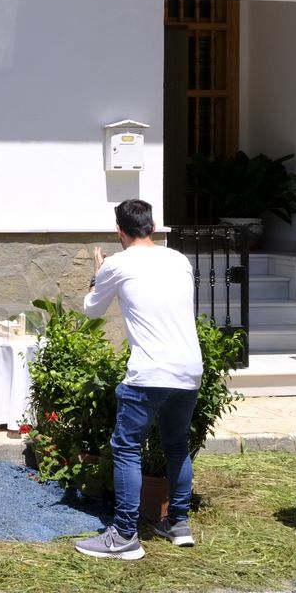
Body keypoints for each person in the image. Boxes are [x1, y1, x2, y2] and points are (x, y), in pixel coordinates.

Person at [74, 199, 203, 561]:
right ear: (153, 225)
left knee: (127, 446)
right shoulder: (178, 259)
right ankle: (177, 523)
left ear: (119, 231)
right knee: (176, 445)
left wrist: (98, 275)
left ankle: (125, 534)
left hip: (149, 370)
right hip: (189, 367)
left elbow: (91, 310)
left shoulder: (117, 263)